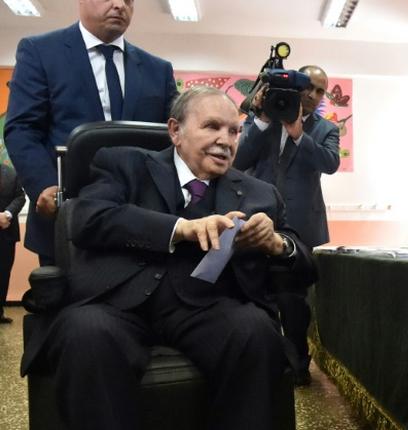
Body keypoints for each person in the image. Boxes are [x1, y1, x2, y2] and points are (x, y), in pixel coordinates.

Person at [20, 87, 316, 429]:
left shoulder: (259, 193)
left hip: (208, 306)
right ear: (175, 130)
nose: (226, 140)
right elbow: (88, 219)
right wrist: (180, 228)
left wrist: (277, 243)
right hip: (115, 302)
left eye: (234, 131)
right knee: (86, 333)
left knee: (256, 332)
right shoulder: (123, 163)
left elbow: (306, 268)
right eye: (212, 127)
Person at [3, 0, 178, 265]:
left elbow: (176, 136)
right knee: (64, 304)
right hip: (65, 216)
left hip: (141, 220)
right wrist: (44, 185)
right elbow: (21, 128)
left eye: (129, 0)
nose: (119, 5)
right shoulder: (40, 52)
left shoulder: (158, 69)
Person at [234, 64, 339, 385]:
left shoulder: (324, 129)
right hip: (257, 219)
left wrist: (298, 134)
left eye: (321, 91)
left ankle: (297, 367)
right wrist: (264, 121)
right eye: (309, 86)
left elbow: (330, 164)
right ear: (297, 85)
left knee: (294, 301)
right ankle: (260, 361)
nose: (313, 95)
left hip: (301, 226)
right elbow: (238, 162)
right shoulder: (262, 116)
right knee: (253, 290)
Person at [0, 163, 25, 324]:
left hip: (6, 233)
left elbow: (20, 197)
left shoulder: (11, 173)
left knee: (3, 273)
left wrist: (7, 214)